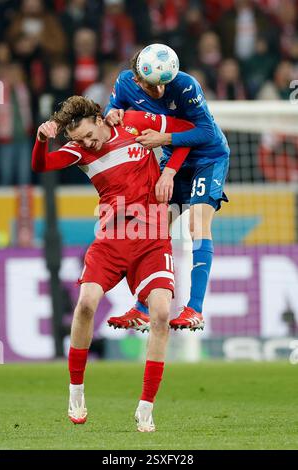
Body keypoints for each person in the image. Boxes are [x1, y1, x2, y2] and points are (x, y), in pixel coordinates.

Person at [31, 95, 193, 431]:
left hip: (152, 238)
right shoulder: (80, 151)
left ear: (99, 118)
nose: (87, 143)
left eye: (89, 135)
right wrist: (42, 139)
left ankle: (146, 406)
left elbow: (187, 131)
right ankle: (76, 391)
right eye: (79, 140)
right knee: (86, 305)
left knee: (162, 313)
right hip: (111, 239)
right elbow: (41, 166)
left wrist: (169, 172)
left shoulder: (133, 123)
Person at [105, 44, 230, 332]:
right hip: (174, 155)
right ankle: (141, 308)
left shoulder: (186, 86)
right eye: (152, 87)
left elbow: (204, 132)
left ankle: (195, 309)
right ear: (137, 79)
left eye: (164, 85)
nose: (160, 92)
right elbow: (116, 106)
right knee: (154, 228)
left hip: (208, 157)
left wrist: (168, 164)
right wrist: (112, 112)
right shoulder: (126, 82)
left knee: (197, 223)